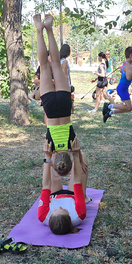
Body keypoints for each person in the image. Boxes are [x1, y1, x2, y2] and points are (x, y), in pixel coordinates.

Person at [33, 14, 77, 167]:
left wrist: (76, 156)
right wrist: (48, 157)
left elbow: (78, 158)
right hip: (51, 109)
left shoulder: (72, 144)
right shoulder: (50, 148)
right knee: (45, 66)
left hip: (65, 107)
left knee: (56, 64)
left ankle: (49, 29)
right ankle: (39, 30)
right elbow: (50, 163)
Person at [38, 138, 89, 235]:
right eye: (64, 210)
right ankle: (84, 197)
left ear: (50, 216)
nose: (60, 207)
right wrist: (75, 155)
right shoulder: (79, 215)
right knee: (82, 156)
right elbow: (77, 181)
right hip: (72, 195)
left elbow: (46, 185)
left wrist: (47, 158)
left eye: (56, 210)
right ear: (70, 217)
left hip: (54, 194)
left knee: (52, 157)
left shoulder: (43, 216)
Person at [102, 46, 132, 123]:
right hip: (122, 88)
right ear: (131, 55)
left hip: (123, 88)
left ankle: (110, 112)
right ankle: (108, 106)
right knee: (129, 108)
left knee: (129, 108)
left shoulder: (126, 63)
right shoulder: (128, 65)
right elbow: (128, 77)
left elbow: (124, 72)